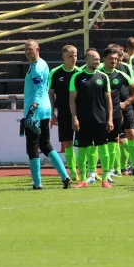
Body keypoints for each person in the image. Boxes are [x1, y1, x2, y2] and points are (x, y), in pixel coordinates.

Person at [23, 40, 71, 190]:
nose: (27, 51)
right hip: (45, 110)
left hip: (36, 111)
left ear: (38, 49)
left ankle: (37, 183)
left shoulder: (37, 67)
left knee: (32, 147)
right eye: (25, 49)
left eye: (30, 49)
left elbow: (38, 89)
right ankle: (65, 176)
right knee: (46, 144)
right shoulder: (42, 63)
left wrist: (32, 108)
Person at [69, 49, 113, 188]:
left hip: (100, 120)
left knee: (104, 150)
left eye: (99, 59)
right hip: (83, 120)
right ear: (86, 59)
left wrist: (110, 118)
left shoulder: (103, 77)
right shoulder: (76, 77)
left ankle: (105, 178)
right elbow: (72, 99)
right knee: (82, 150)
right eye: (94, 58)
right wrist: (74, 117)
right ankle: (82, 179)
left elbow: (108, 100)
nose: (97, 61)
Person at [101, 47, 134, 179]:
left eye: (115, 58)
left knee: (118, 139)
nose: (114, 61)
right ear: (104, 59)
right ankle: (105, 170)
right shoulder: (97, 73)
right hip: (100, 113)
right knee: (99, 142)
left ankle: (132, 166)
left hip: (118, 110)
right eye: (111, 58)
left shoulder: (122, 72)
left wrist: (127, 103)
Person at [48, 45, 80, 182]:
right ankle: (73, 171)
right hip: (63, 112)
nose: (74, 59)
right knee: (68, 143)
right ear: (63, 58)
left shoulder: (80, 72)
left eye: (76, 56)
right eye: (70, 56)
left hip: (80, 114)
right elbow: (51, 94)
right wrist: (52, 113)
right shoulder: (55, 72)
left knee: (86, 143)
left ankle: (87, 171)